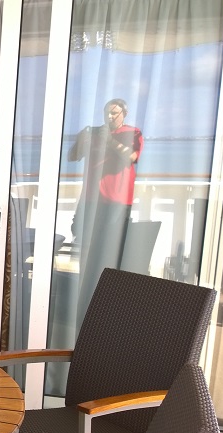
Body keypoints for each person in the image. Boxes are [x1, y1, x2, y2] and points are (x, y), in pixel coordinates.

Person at [68, 98, 143, 314]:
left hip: (116, 203)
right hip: (90, 200)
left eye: (114, 113)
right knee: (85, 247)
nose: (109, 117)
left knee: (109, 252)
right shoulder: (96, 134)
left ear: (124, 114)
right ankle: (85, 298)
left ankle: (110, 304)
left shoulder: (133, 133)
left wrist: (109, 141)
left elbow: (132, 156)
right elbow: (73, 157)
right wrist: (81, 138)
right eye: (107, 113)